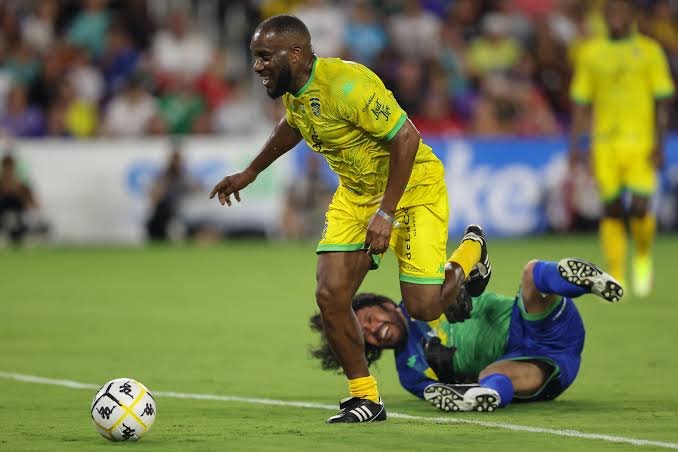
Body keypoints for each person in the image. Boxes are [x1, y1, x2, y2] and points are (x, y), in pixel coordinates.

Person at [209, 15, 490, 423]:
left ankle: (471, 252)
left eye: (265, 56)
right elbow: (294, 126)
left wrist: (387, 213)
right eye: (255, 57)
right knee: (330, 295)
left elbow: (406, 137)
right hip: (356, 196)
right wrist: (251, 172)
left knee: (424, 306)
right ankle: (366, 399)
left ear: (297, 53)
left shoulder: (347, 85)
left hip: (413, 189)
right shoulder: (295, 90)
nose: (258, 66)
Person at [310, 256, 624, 412]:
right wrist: (455, 381)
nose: (371, 330)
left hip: (532, 320)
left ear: (387, 304)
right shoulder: (410, 374)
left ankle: (586, 282)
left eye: (367, 318)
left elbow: (466, 270)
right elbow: (441, 395)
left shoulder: (426, 296)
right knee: (491, 375)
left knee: (531, 274)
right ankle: (487, 396)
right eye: (365, 336)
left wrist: (461, 290)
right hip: (537, 367)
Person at [569, 0, 674, 297]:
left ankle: (641, 256)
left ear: (632, 16)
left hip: (641, 141)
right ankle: (615, 273)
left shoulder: (650, 51)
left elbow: (662, 99)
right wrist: (576, 146)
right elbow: (581, 103)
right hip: (605, 143)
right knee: (612, 208)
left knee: (640, 207)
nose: (615, 18)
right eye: (609, 14)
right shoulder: (591, 54)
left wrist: (660, 143)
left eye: (620, 13)